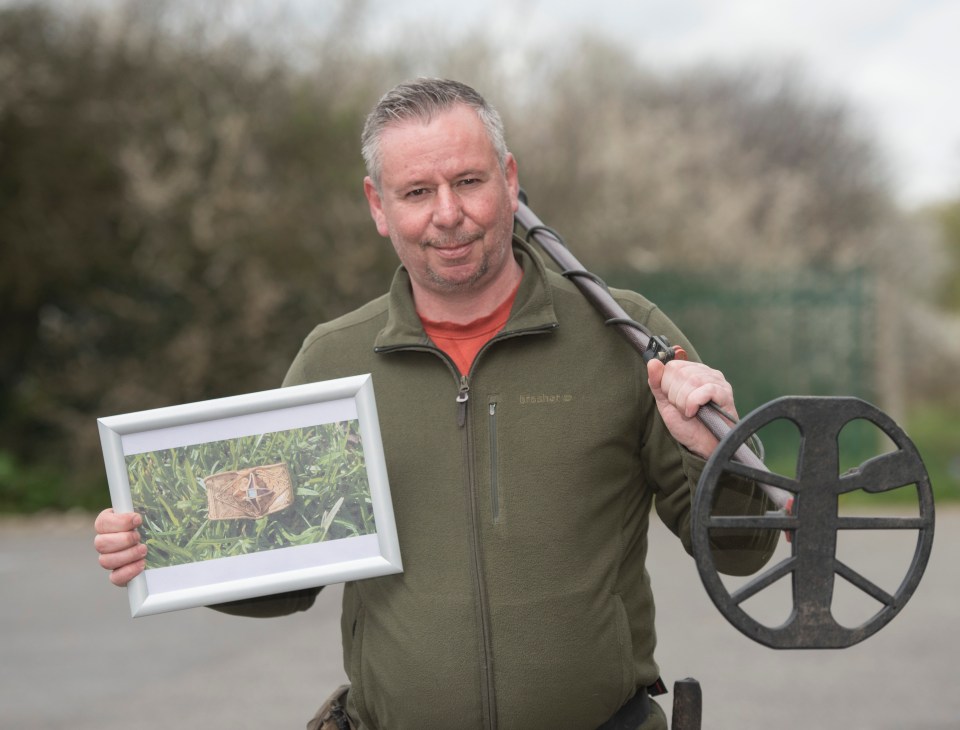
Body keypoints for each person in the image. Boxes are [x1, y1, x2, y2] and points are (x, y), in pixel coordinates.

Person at [95, 78, 777, 730]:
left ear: (510, 179)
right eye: (416, 191)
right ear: (377, 205)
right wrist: (163, 544)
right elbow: (285, 578)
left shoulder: (626, 338)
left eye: (469, 181)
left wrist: (710, 450)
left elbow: (740, 555)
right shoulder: (333, 361)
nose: (446, 214)